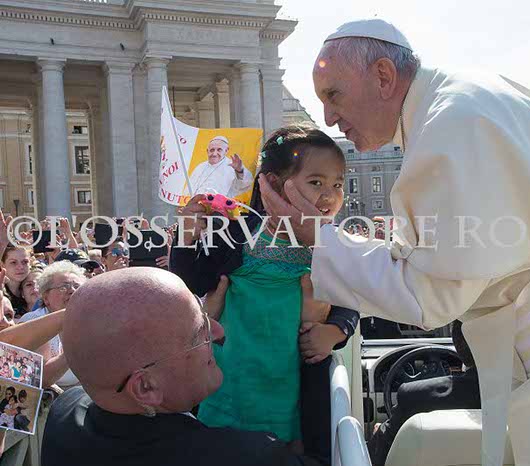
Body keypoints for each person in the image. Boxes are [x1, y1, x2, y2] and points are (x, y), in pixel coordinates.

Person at [259, 19, 530, 466]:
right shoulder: (451, 105)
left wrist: (315, 236)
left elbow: (429, 294)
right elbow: (440, 255)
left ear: (384, 77)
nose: (329, 118)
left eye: (333, 95)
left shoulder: (451, 123)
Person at [171, 125, 359, 461]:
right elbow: (194, 281)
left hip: (296, 387)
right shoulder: (238, 230)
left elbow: (351, 299)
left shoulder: (333, 244)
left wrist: (334, 331)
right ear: (272, 183)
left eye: (337, 184)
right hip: (234, 379)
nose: (330, 195)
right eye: (316, 182)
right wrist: (187, 234)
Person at [42, 267, 322, 466]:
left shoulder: (65, 410)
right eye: (198, 334)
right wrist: (315, 349)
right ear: (146, 387)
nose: (218, 331)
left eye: (204, 316)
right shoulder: (248, 457)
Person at [367, 321, 480, 466]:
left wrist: (379, 434)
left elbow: (375, 458)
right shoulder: (510, 396)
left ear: (458, 345)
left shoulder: (413, 396)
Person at [188, 136, 254, 198]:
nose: (214, 154)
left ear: (226, 151)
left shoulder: (234, 166)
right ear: (207, 151)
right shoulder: (200, 167)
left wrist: (239, 171)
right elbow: (188, 189)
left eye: (219, 150)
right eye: (212, 150)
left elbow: (245, 185)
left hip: (219, 205)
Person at [2, 246, 32, 316]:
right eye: (13, 262)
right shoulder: (1, 292)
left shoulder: (33, 287)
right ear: (2, 265)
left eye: (25, 262)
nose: (20, 267)